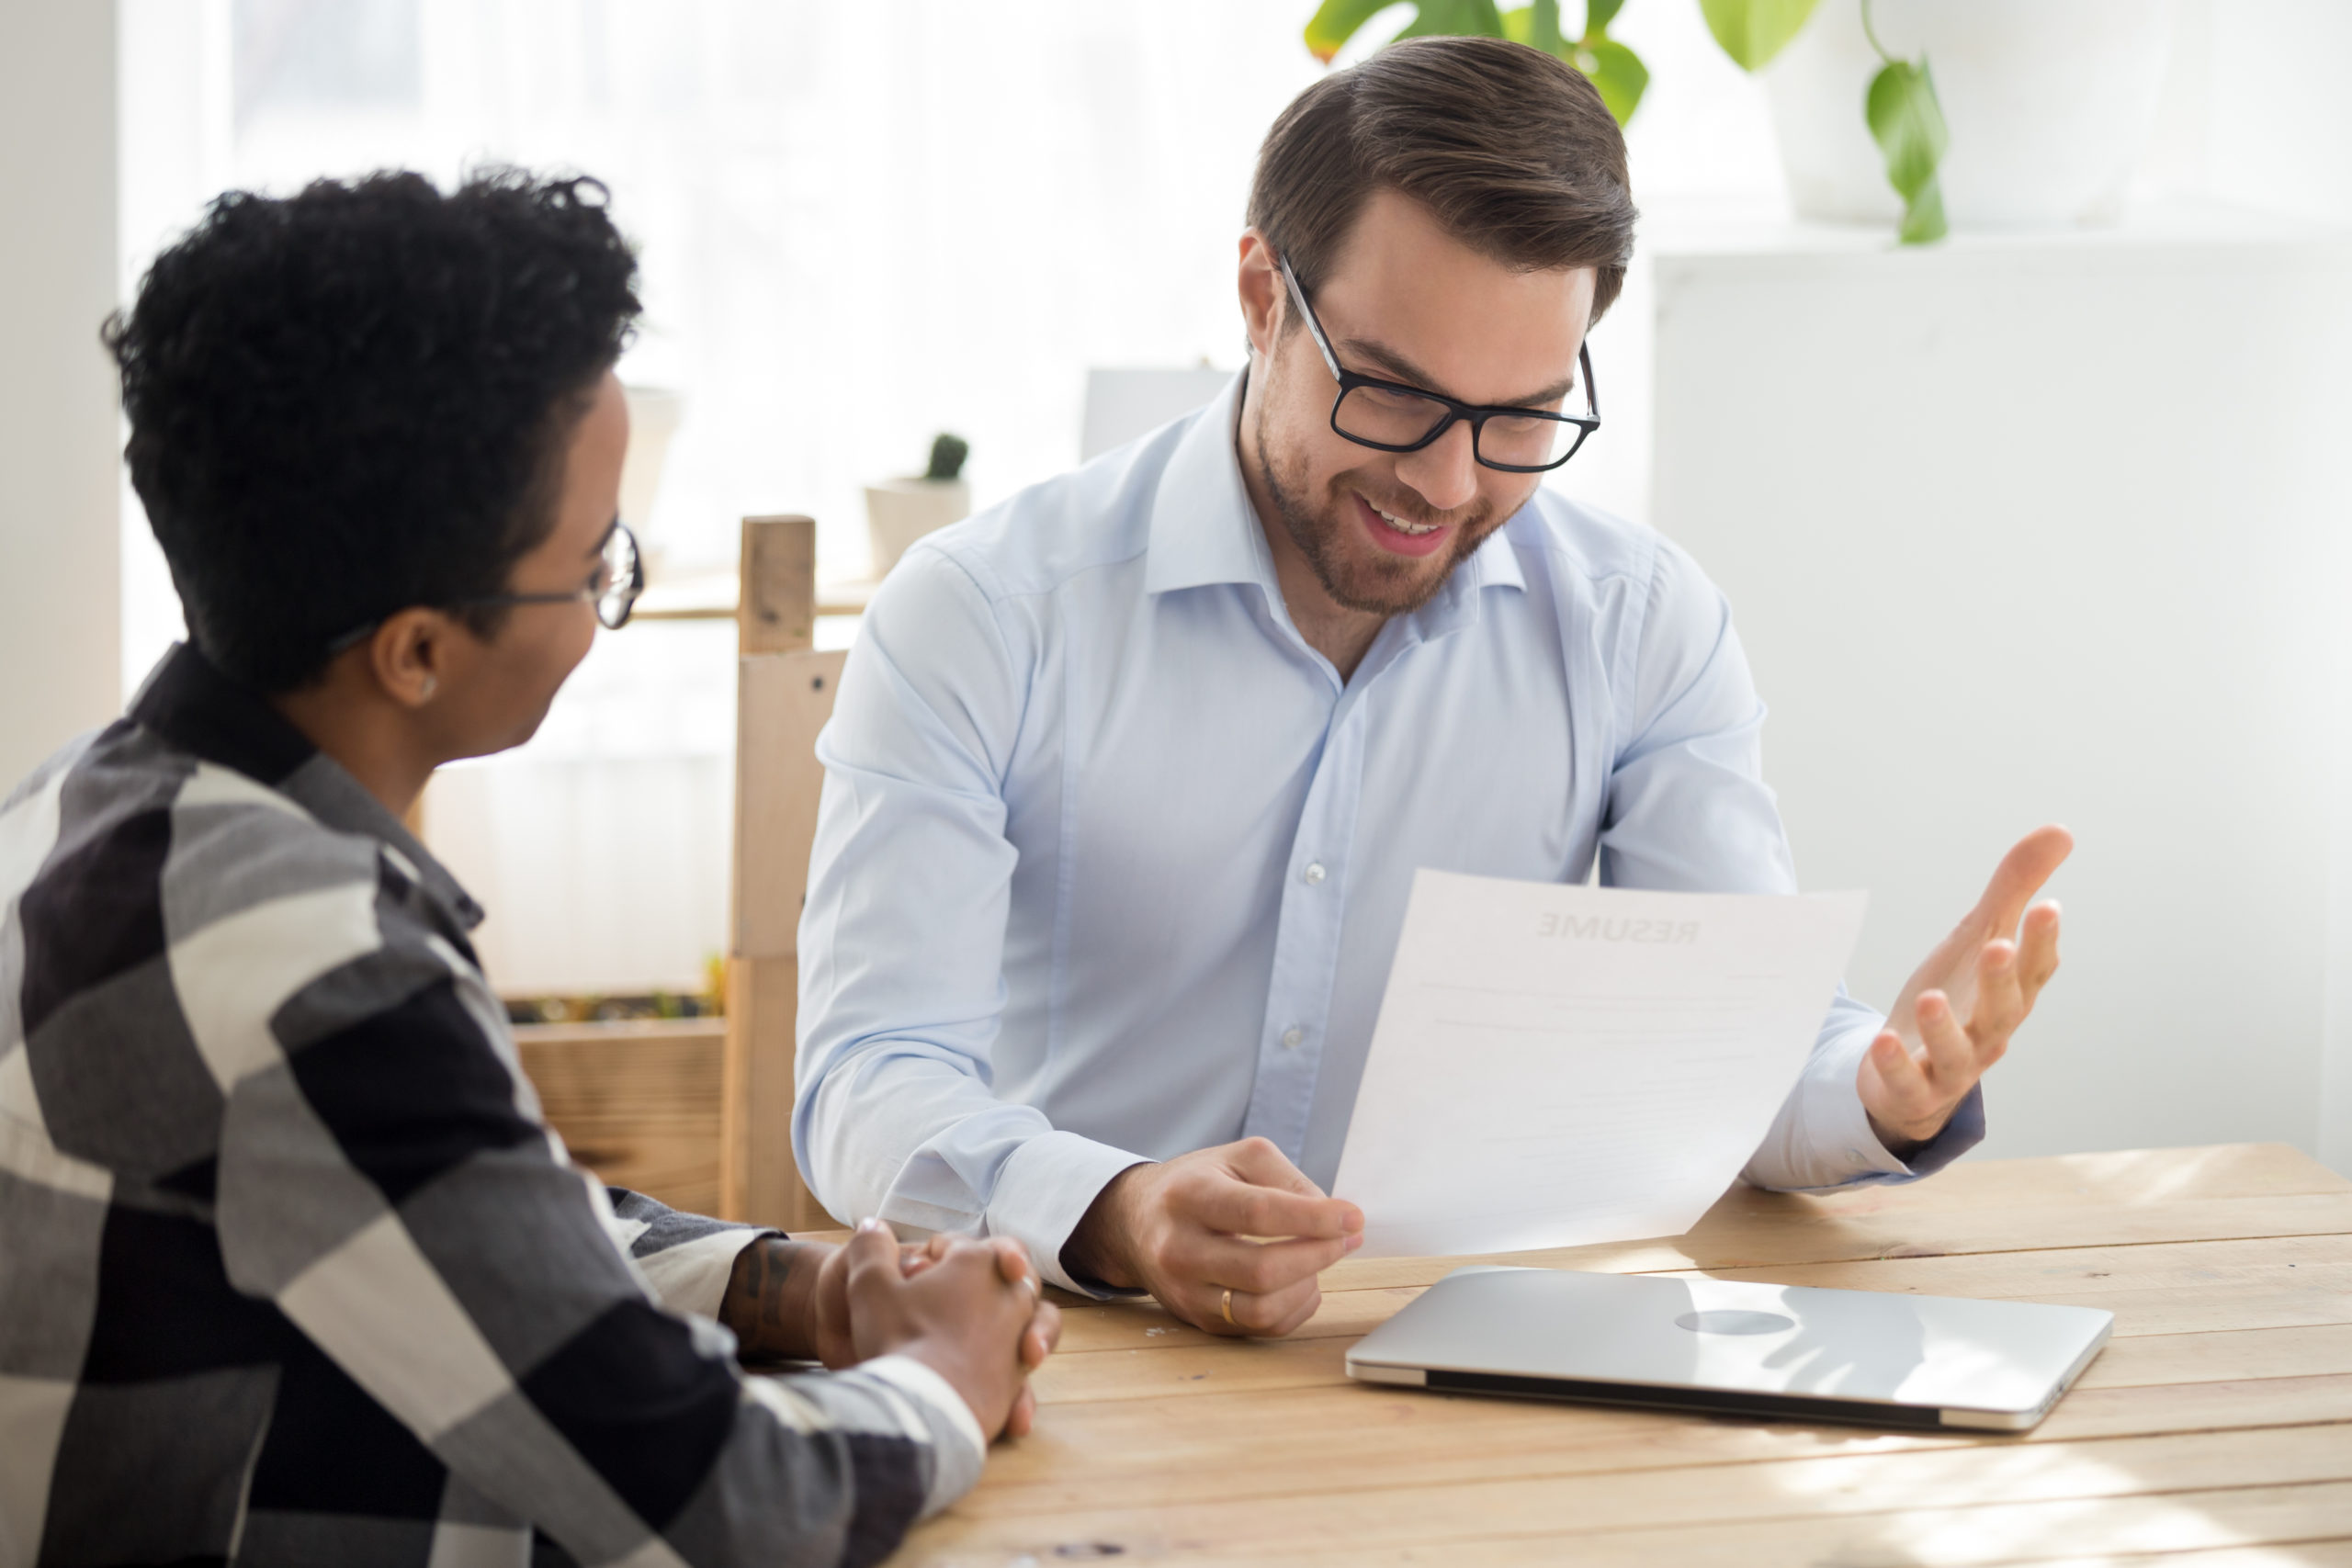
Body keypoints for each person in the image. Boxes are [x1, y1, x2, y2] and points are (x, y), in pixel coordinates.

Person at [795, 36, 2068, 1338]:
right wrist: (1116, 1208)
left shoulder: (1641, 626)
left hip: (1478, 1357)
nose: (1450, 486)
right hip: (1080, 1342)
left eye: (1520, 415)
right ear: (1258, 297)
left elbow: (1729, 1061)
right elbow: (866, 1082)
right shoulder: (985, 616)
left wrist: (1881, 1087)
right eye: (1395, 394)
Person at [0, 170, 1057, 1568]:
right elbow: (730, 1509)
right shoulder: (308, 959)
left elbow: (465, 1205)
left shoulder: (91, 800)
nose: (611, 591)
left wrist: (789, 1288)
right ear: (420, 650)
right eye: (597, 559)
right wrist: (944, 1380)